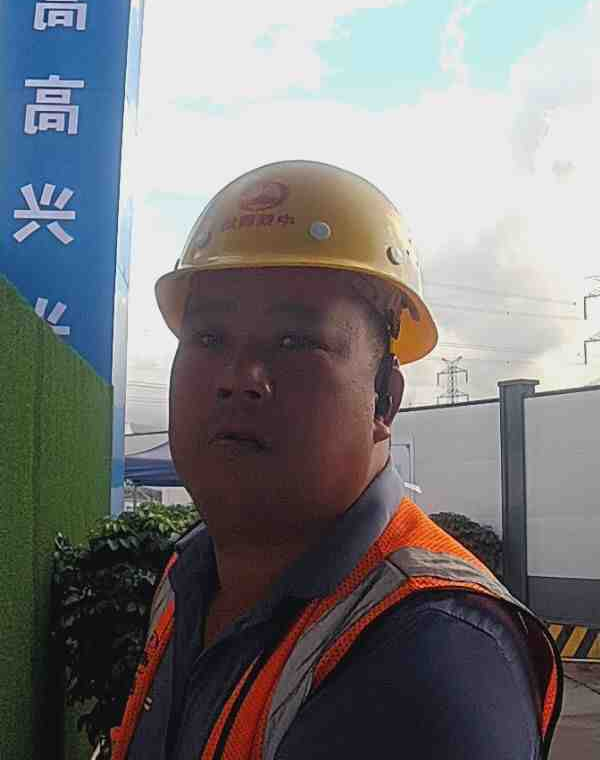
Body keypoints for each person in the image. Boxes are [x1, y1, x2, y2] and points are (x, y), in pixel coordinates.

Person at [112, 160, 563, 760]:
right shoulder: (187, 575)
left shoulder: (432, 655)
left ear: (384, 400)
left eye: (294, 342)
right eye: (209, 338)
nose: (238, 378)